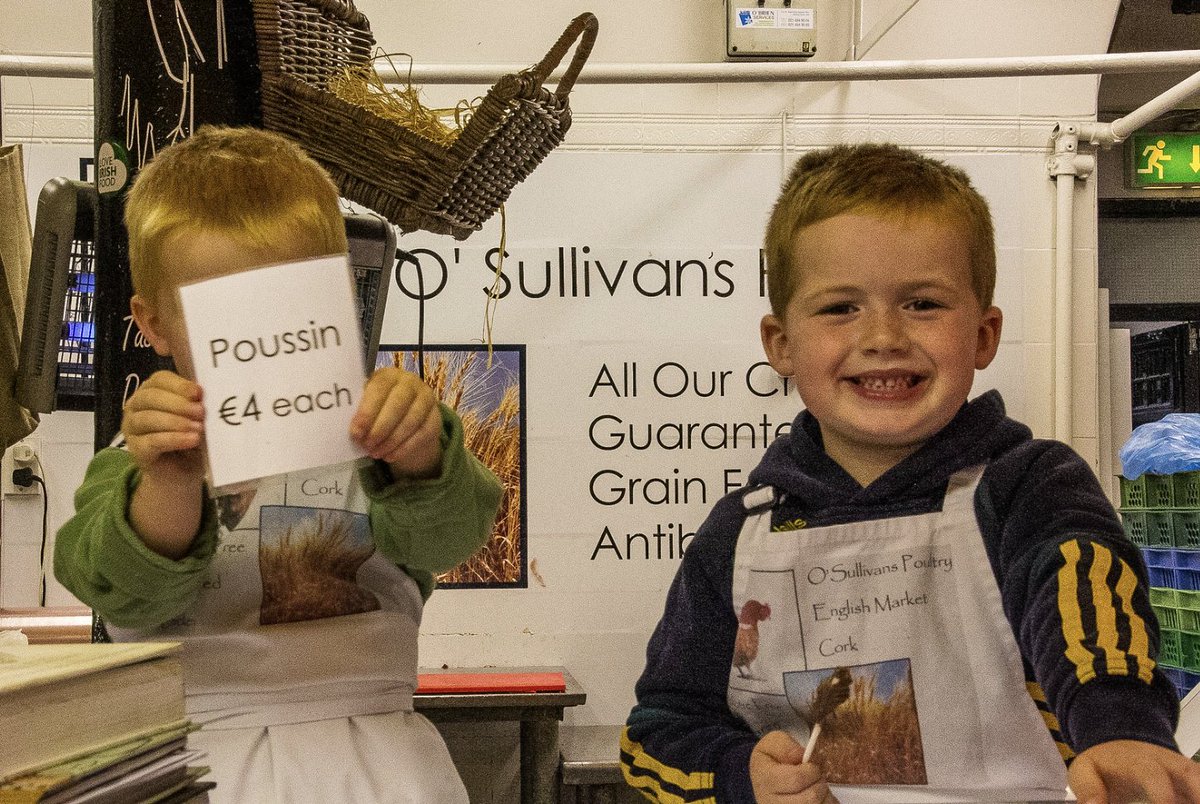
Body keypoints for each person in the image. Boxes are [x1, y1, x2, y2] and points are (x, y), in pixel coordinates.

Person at [621, 142, 1200, 804]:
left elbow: (1086, 606)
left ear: (982, 335)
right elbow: (655, 739)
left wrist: (1120, 729)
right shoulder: (737, 534)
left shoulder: (1029, 488)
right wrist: (738, 775)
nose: (885, 336)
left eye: (922, 303)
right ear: (782, 344)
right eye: (841, 308)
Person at [54, 125, 503, 803]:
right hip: (199, 757)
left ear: (336, 299)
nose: (262, 340)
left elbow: (448, 541)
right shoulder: (134, 464)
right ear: (156, 325)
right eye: (226, 319)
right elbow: (124, 593)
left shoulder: (377, 436)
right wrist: (170, 481)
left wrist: (424, 459)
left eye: (287, 305)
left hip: (375, 753)